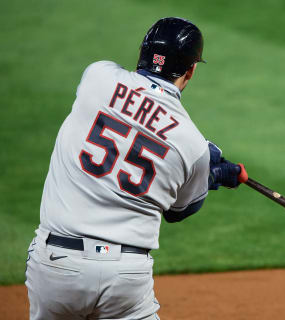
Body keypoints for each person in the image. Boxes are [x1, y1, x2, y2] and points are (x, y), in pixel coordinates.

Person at [25, 17, 246, 320]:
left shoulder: (97, 76)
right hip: (125, 275)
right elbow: (179, 211)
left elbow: (125, 123)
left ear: (142, 51)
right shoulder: (191, 144)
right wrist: (212, 174)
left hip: (57, 263)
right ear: (191, 70)